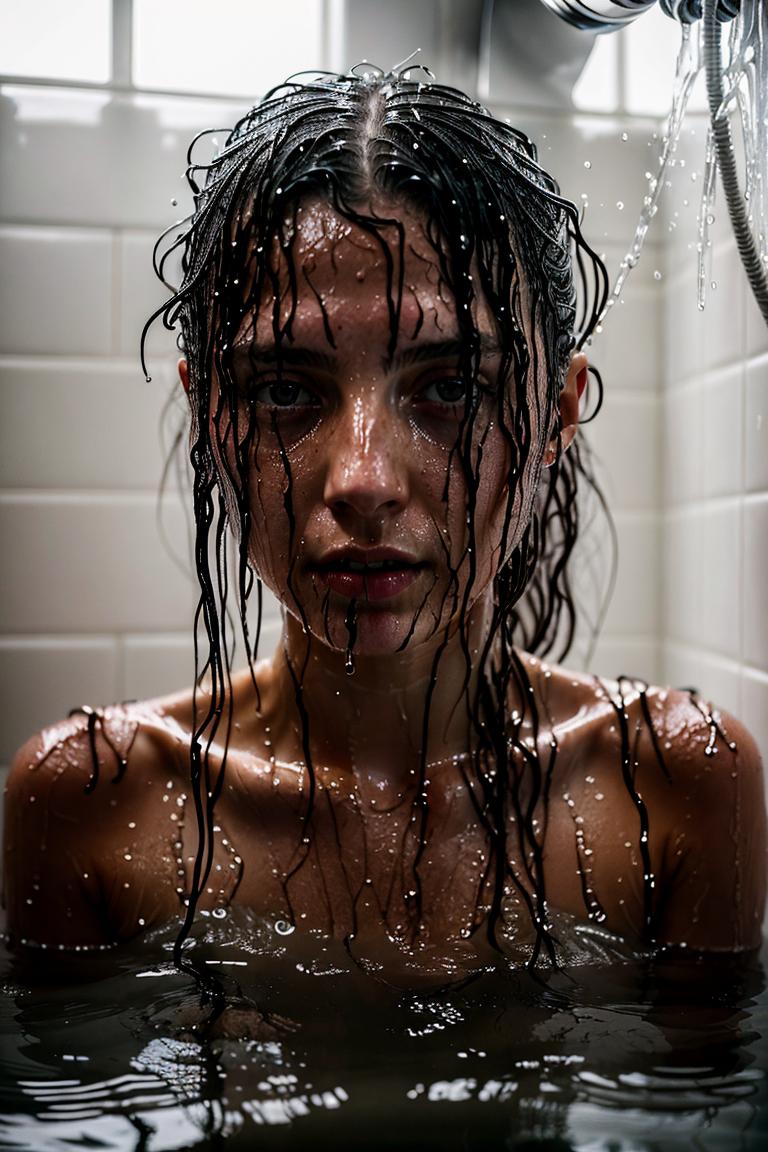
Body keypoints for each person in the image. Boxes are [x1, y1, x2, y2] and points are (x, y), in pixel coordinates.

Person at [3, 67, 765, 972]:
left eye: (450, 388)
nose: (363, 480)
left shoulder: (680, 789)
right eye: (285, 390)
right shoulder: (91, 801)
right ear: (210, 414)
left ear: (560, 414)